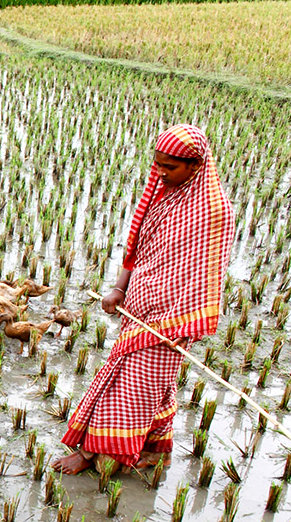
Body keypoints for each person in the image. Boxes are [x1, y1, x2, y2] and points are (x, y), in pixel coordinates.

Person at [52, 124, 235, 475]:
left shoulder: (213, 211)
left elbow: (204, 275)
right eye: (158, 165)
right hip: (138, 308)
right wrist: (120, 287)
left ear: (195, 166)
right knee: (152, 386)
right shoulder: (162, 194)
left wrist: (179, 320)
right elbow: (139, 245)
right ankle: (152, 449)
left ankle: (92, 453)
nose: (161, 173)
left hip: (174, 320)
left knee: (134, 385)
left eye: (170, 167)